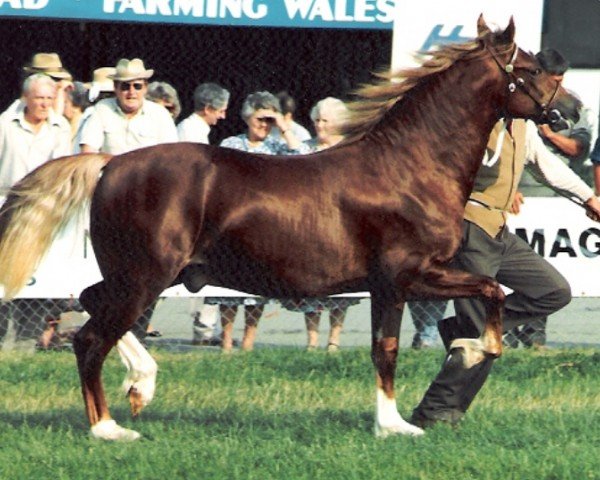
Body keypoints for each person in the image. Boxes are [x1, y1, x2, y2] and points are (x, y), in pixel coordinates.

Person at [409, 118, 600, 429]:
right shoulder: (479, 121)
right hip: (470, 228)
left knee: (552, 291)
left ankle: (469, 330)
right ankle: (433, 414)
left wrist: (588, 198)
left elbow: (546, 167)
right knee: (482, 337)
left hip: (499, 232)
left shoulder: (523, 127)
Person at [79, 58, 178, 340]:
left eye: (137, 85)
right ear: (116, 88)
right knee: (119, 275)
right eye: (125, 86)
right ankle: (118, 333)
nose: (131, 91)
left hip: (153, 208)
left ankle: (137, 335)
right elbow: (88, 156)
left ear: (146, 87)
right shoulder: (100, 113)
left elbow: (174, 164)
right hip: (113, 205)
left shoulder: (159, 116)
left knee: (152, 274)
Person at [506, 49, 594, 348]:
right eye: (552, 80)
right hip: (518, 196)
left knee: (544, 269)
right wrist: (508, 188)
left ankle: (533, 335)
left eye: (561, 80)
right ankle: (498, 331)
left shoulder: (571, 103)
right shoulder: (516, 104)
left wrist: (549, 133)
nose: (558, 87)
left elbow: (578, 148)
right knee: (502, 270)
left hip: (554, 197)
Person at [215, 91, 306, 351]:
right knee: (227, 285)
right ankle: (226, 340)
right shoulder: (231, 144)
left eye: (268, 120)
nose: (264, 125)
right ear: (247, 118)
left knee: (255, 288)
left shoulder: (277, 147)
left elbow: (303, 155)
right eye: (260, 118)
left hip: (263, 224)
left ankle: (248, 341)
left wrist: (284, 127)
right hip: (233, 219)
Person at [282, 97, 360, 352]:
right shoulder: (306, 148)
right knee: (313, 284)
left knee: (341, 285)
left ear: (338, 123)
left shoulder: (350, 150)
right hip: (311, 223)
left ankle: (334, 339)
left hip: (342, 225)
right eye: (316, 120)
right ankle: (312, 339)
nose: (319, 126)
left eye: (325, 121)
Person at [0, 73, 72, 342]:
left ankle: (27, 339)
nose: (44, 104)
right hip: (6, 205)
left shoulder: (60, 127)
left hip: (42, 210)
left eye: (50, 99)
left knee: (35, 276)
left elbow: (61, 170)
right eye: (39, 98)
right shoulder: (5, 125)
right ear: (25, 98)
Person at [175, 82, 230, 346]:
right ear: (208, 108)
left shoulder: (197, 129)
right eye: (220, 110)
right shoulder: (191, 131)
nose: (223, 116)